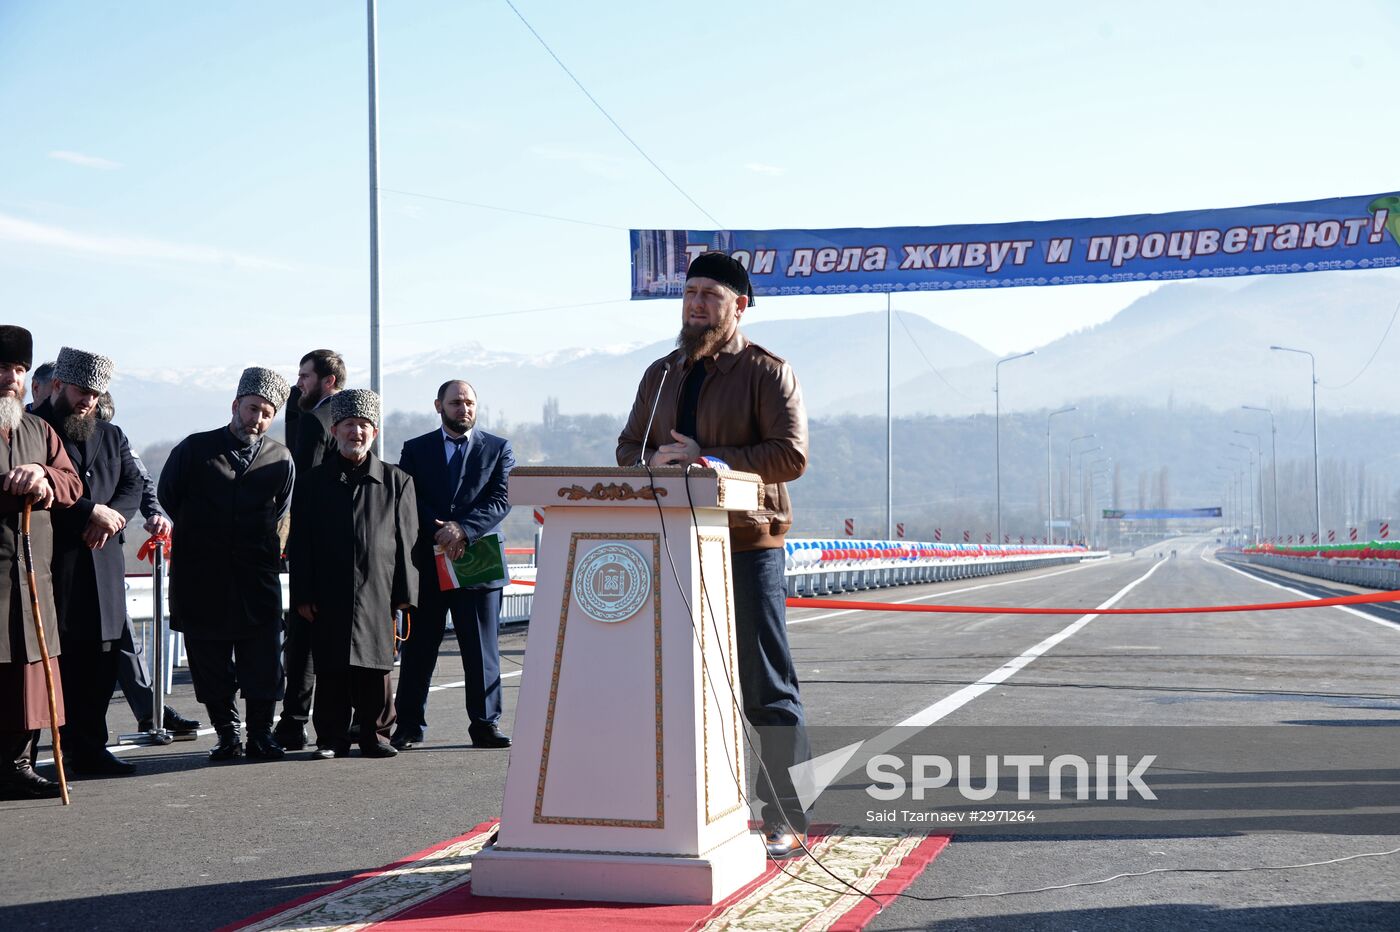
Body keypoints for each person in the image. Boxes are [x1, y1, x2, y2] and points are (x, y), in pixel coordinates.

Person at [615, 251, 812, 858]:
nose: (696, 303)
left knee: (764, 684)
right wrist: (650, 463)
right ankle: (674, 809)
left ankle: (784, 811)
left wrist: (710, 459)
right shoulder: (660, 372)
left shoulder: (766, 372)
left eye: (711, 295)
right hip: (671, 543)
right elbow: (629, 448)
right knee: (672, 681)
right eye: (691, 292)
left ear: (738, 306)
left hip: (747, 542)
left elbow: (790, 456)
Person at [158, 367, 294, 762]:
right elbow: (170, 496)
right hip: (202, 576)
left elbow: (281, 512)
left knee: (264, 661)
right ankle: (227, 733)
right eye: (252, 409)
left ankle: (260, 735)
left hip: (256, 576)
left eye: (267, 413)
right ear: (235, 406)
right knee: (210, 662)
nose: (258, 419)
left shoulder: (280, 457)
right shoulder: (195, 449)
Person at [289, 389, 417, 759]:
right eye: (348, 425)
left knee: (376, 666)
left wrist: (405, 595)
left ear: (374, 432)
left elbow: (407, 541)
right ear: (335, 430)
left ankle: (376, 736)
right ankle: (330, 738)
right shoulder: (313, 482)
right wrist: (303, 595)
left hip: (380, 589)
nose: (356, 433)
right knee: (331, 666)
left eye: (363, 426)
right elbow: (301, 544)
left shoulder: (397, 481)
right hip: (327, 590)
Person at [36, 347, 145, 776]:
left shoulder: (111, 435)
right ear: (59, 385)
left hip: (102, 567)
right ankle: (42, 755)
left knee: (100, 665)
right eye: (83, 392)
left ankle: (90, 749)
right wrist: (89, 512)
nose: (89, 402)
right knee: (56, 666)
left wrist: (112, 517)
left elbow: (133, 483)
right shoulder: (33, 428)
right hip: (54, 564)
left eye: (96, 395)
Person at [391, 380, 514, 750]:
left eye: (470, 402)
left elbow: (503, 498)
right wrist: (440, 532)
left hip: (478, 559)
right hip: (428, 563)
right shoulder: (415, 449)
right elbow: (407, 496)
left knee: (482, 651)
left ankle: (485, 724)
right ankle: (409, 725)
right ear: (438, 406)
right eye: (456, 402)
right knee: (420, 649)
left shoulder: (498, 448)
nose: (464, 409)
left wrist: (464, 530)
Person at [0, 327, 82, 800]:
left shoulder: (39, 429)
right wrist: (12, 485)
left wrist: (45, 475)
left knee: (31, 674)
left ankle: (19, 763)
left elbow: (72, 486)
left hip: (33, 575)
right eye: (3, 368)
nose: (11, 379)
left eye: (18, 370)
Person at [93, 392, 201, 736]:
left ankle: (150, 710)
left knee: (122, 636)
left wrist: (153, 512)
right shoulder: (34, 427)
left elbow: (139, 479)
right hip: (53, 549)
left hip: (104, 549)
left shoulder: (113, 436)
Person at [273, 349, 347, 751]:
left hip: (313, 542)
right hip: (340, 545)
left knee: (303, 641)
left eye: (305, 376)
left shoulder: (317, 422)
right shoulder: (339, 416)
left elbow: (300, 489)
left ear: (328, 381)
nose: (298, 382)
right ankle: (334, 724)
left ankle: (294, 723)